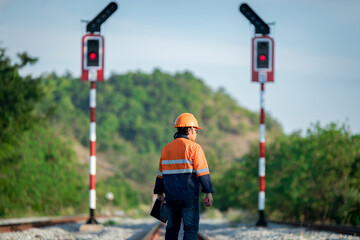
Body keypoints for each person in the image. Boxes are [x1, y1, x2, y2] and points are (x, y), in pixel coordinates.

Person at [153, 113, 214, 240]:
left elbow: (160, 173)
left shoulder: (166, 149)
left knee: (171, 228)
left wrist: (159, 192)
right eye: (196, 131)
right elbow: (202, 172)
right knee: (190, 229)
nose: (196, 134)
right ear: (189, 129)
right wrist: (208, 192)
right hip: (189, 196)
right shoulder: (194, 148)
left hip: (171, 196)